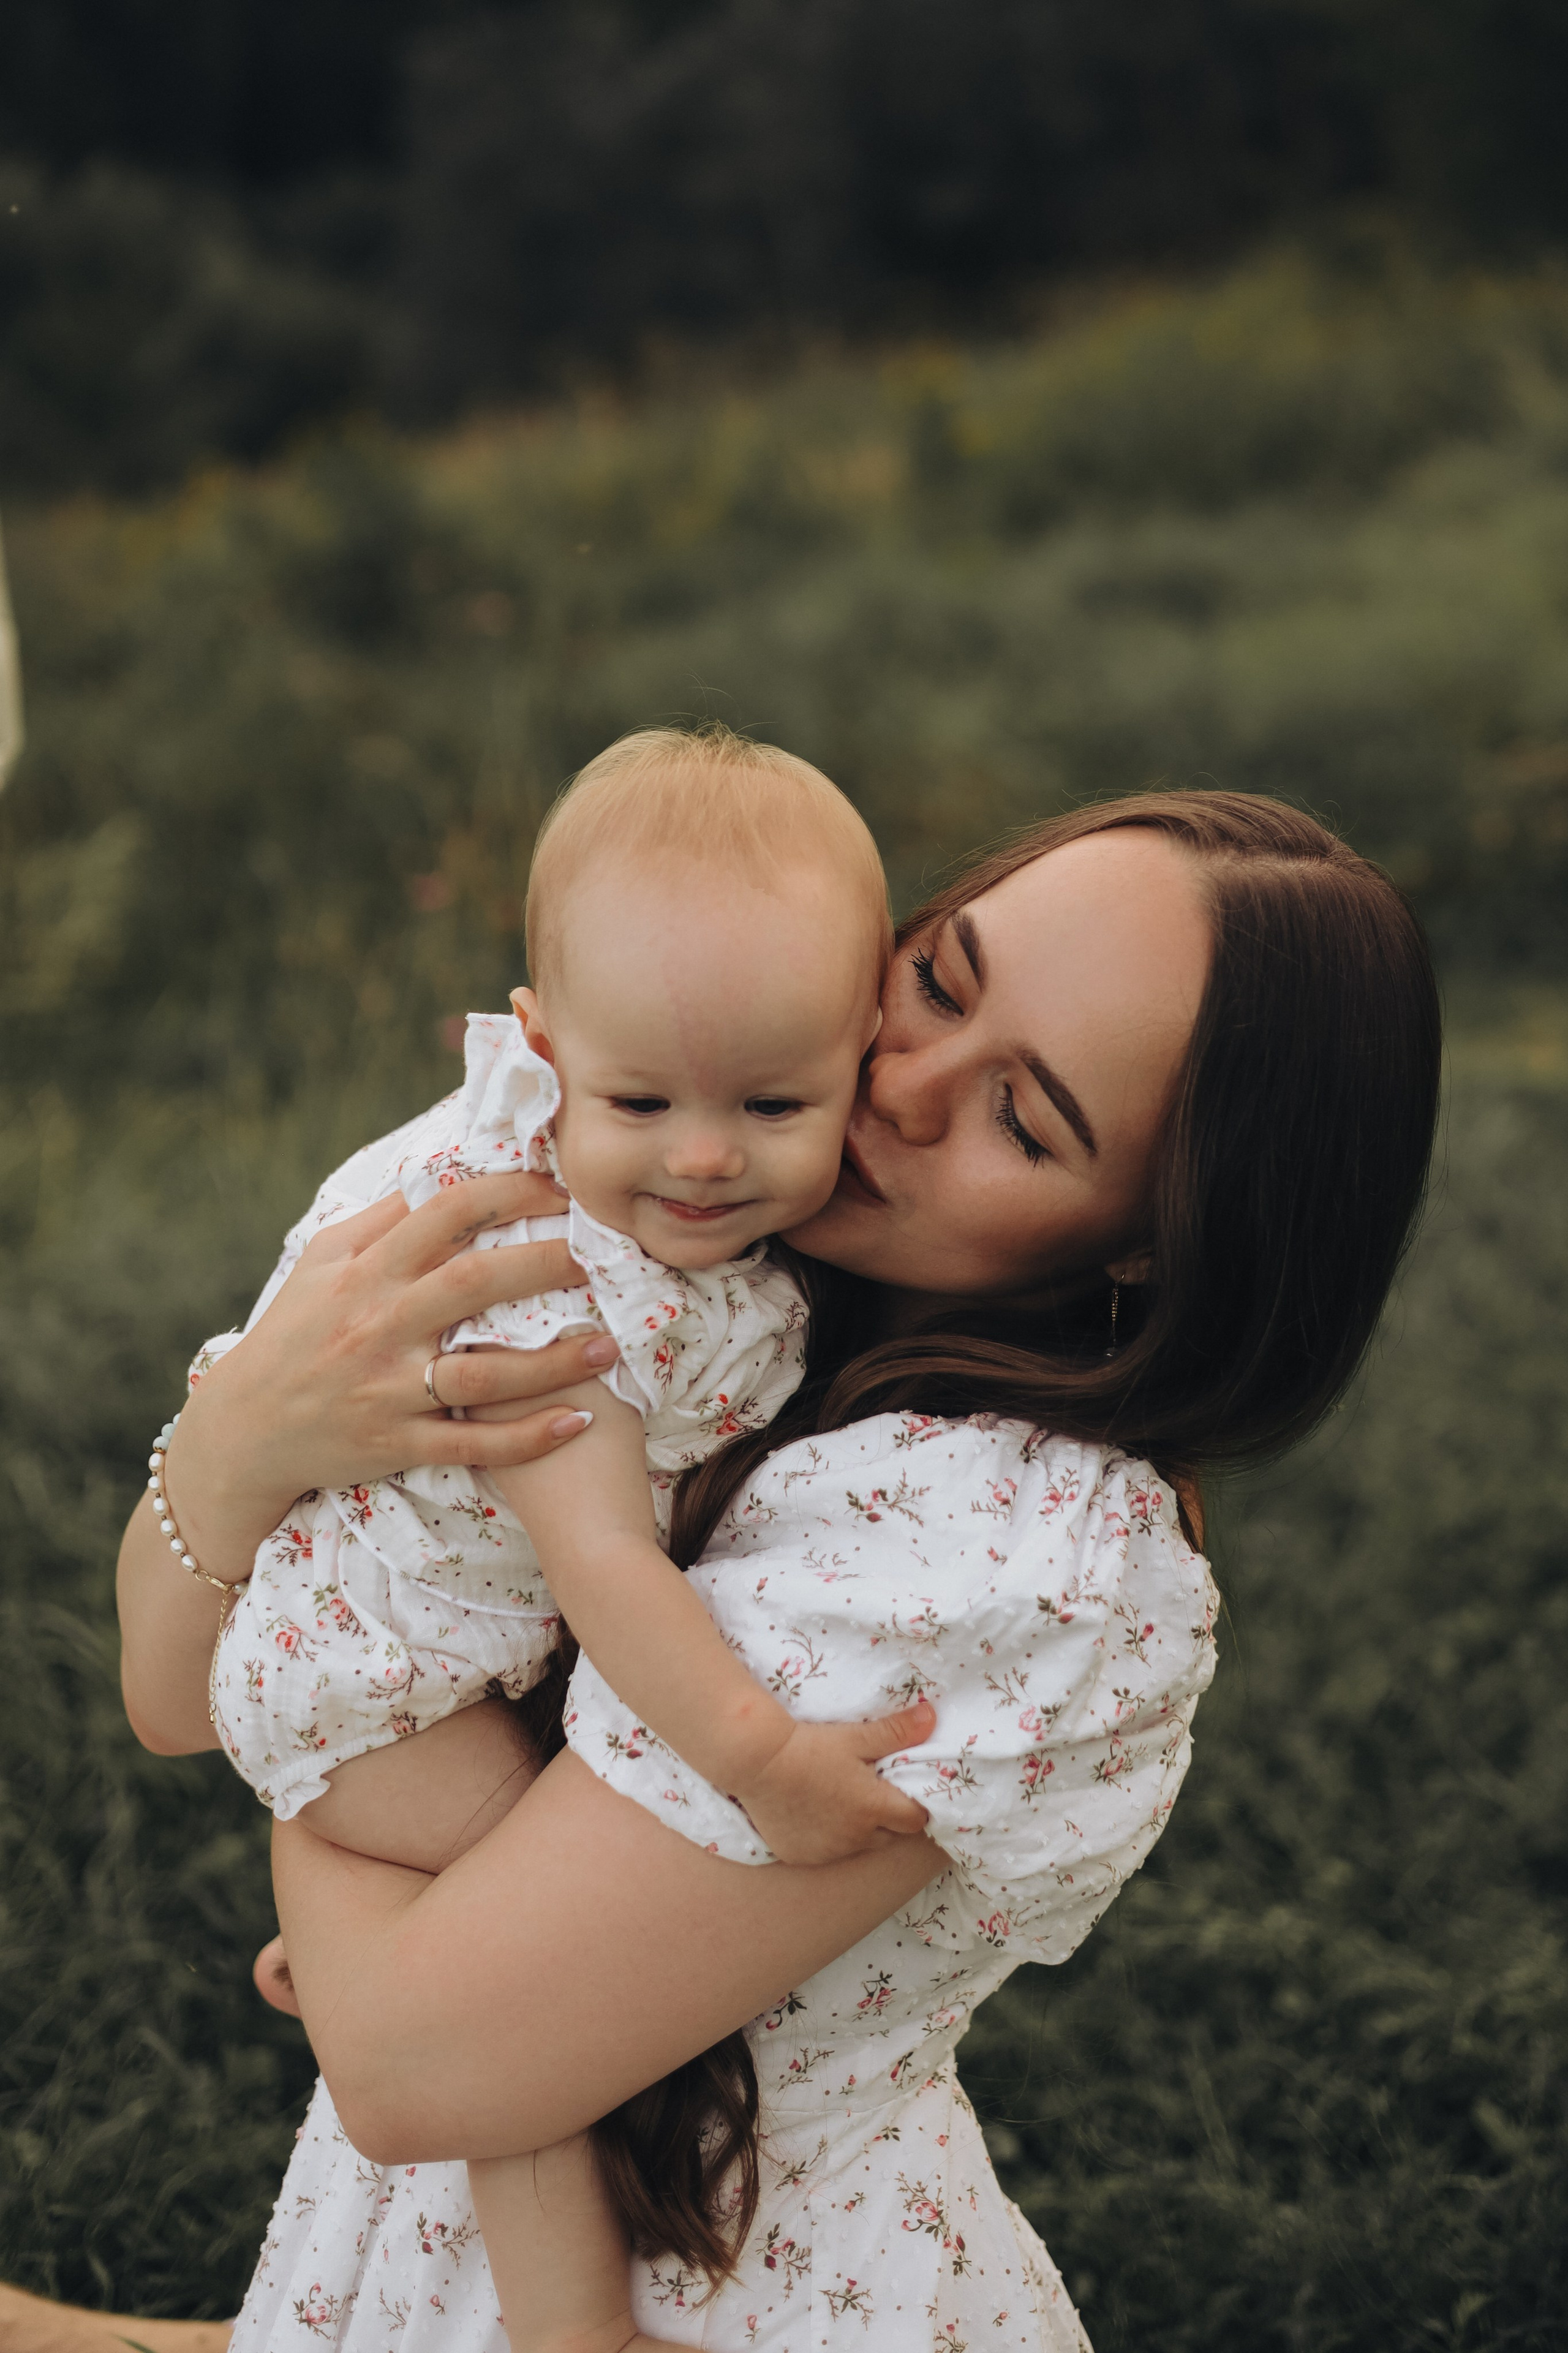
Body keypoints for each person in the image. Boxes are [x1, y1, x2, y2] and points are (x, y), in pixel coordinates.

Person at [117, 788, 1441, 2352]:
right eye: (938, 980)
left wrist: (348, 1878)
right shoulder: (710, 1239)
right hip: (422, 2249)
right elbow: (166, 1695)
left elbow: (413, 2062)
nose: (900, 1089)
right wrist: (243, 1438)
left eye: (1025, 1119)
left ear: (1155, 1237)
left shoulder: (1016, 1554)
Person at [189, 726, 936, 2347]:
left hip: (430, 1674)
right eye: (641, 1099)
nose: (704, 1156)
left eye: (774, 1099)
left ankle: (356, 1918)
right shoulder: (562, 1284)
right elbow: (608, 1567)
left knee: (504, 1941)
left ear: (864, 1055)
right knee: (513, 2002)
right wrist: (760, 1758)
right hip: (371, 1682)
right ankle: (568, 2329)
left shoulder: (718, 1244)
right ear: (542, 1049)